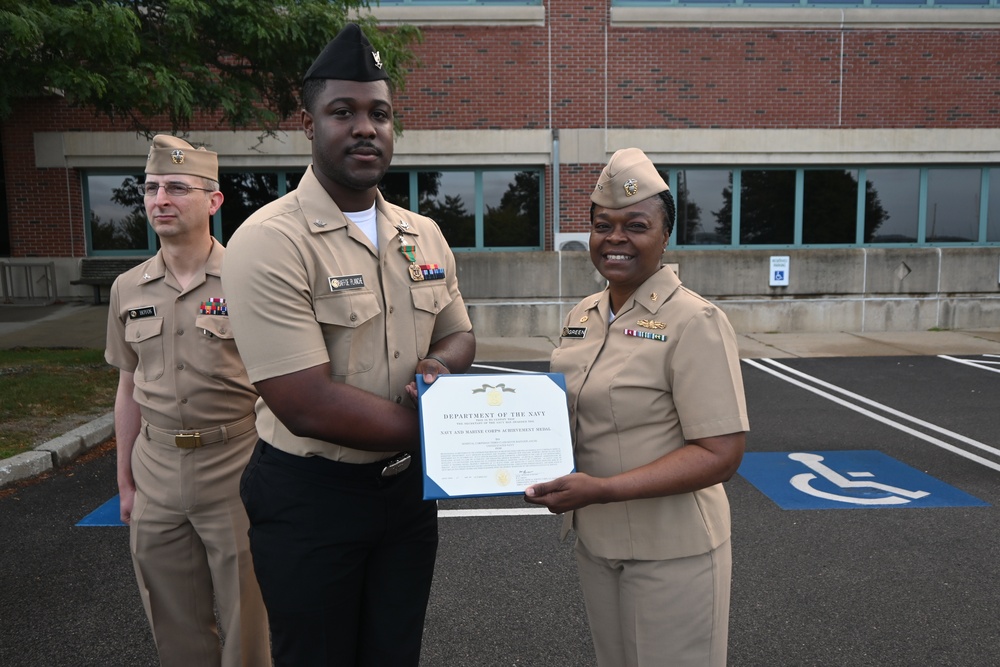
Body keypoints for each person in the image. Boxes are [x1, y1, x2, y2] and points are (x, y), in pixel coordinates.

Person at [221, 23, 476, 667]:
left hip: (405, 495)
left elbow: (459, 333)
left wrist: (437, 366)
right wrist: (455, 431)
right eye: (344, 111)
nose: (366, 127)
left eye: (380, 113)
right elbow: (304, 402)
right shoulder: (271, 241)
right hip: (312, 498)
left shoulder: (422, 232)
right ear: (309, 125)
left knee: (395, 653)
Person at [524, 148, 749, 667]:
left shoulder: (695, 322)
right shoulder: (584, 314)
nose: (616, 238)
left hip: (673, 550)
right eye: (604, 225)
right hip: (598, 542)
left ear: (665, 236)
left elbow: (721, 453)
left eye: (636, 225)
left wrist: (602, 489)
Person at [105, 135, 270, 667]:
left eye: (177, 187)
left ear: (214, 200)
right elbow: (127, 386)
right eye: (151, 188)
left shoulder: (250, 280)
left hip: (236, 462)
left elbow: (279, 380)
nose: (160, 199)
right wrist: (125, 483)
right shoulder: (128, 288)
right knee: (171, 616)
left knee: (249, 616)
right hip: (155, 468)